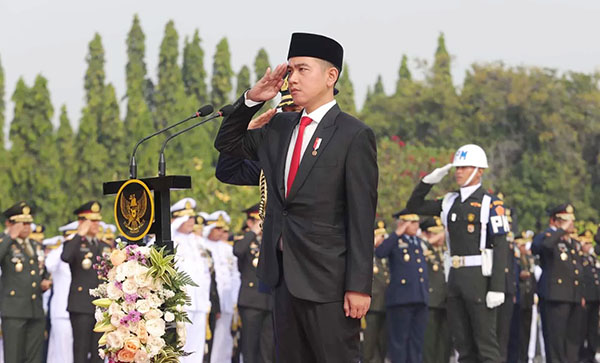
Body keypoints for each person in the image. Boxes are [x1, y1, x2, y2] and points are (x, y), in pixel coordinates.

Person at [214, 32, 378, 362]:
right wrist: (251, 99)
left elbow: (362, 216)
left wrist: (359, 285)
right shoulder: (279, 127)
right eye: (290, 71)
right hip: (283, 276)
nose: (293, 79)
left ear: (331, 76)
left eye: (303, 70)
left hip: (328, 281)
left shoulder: (353, 134)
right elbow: (228, 146)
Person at [406, 144, 509, 362]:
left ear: (479, 170)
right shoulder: (450, 201)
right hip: (454, 276)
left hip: (479, 277)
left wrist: (498, 287)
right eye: (457, 167)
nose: (459, 172)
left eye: (464, 167)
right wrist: (428, 181)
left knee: (486, 345)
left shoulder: (490, 203)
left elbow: (501, 246)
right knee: (463, 346)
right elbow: (413, 206)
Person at [530, 203, 584, 362]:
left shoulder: (570, 242)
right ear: (554, 221)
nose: (571, 224)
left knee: (571, 342)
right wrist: (560, 231)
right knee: (555, 342)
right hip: (555, 298)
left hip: (572, 297)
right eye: (566, 221)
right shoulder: (547, 236)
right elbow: (541, 247)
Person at [61, 201, 112, 363]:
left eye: (98, 220)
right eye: (92, 221)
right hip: (81, 305)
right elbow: (66, 257)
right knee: (81, 351)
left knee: (99, 353)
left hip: (101, 307)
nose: (97, 224)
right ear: (82, 222)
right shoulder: (74, 243)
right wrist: (79, 234)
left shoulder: (103, 245)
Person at [0, 201, 51, 363]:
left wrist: (44, 282)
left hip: (35, 309)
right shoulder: (5, 242)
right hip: (14, 311)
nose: (26, 227)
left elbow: (39, 271)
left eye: (29, 223)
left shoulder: (33, 245)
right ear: (10, 223)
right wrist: (10, 236)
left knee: (34, 358)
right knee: (14, 357)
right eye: (22, 223)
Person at [375, 210, 428, 363]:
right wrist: (397, 233)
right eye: (412, 222)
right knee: (399, 342)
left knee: (416, 342)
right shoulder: (395, 241)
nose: (416, 225)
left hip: (419, 298)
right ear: (402, 223)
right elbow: (380, 252)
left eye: (416, 222)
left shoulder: (418, 242)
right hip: (401, 299)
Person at [171, 198, 219, 363]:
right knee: (180, 345)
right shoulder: (172, 239)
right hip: (182, 302)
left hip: (200, 301)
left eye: (192, 218)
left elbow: (206, 272)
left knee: (197, 345)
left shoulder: (197, 242)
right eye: (187, 218)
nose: (192, 221)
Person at [234, 204, 274, 363]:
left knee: (267, 350)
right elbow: (238, 250)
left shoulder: (271, 239)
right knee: (249, 349)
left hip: (270, 302)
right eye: (255, 221)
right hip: (251, 301)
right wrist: (253, 232)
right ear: (249, 222)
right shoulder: (245, 240)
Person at [204, 211, 241, 363]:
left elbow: (235, 274)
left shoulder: (227, 248)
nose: (220, 232)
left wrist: (235, 298)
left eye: (222, 229)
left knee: (225, 338)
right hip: (210, 300)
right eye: (217, 228)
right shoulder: (202, 245)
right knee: (209, 338)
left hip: (227, 299)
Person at [45, 221, 78, 363]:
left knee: (72, 353)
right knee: (62, 355)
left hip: (77, 311)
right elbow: (49, 265)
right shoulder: (58, 253)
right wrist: (64, 244)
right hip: (62, 312)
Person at [420, 216, 451, 363]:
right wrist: (430, 240)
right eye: (435, 233)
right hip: (431, 301)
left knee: (444, 342)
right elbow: (417, 248)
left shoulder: (445, 251)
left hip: (445, 301)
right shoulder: (424, 248)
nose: (439, 237)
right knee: (429, 342)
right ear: (426, 234)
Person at [362, 221, 389, 363]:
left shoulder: (383, 256)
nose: (381, 240)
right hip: (371, 308)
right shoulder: (365, 255)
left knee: (382, 345)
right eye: (378, 236)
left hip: (384, 305)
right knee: (369, 346)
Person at [578, 229, 599, 363]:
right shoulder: (579, 259)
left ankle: (591, 353)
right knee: (582, 328)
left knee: (592, 328)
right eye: (585, 243)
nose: (588, 246)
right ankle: (582, 355)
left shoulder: (592, 259)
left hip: (595, 297)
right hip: (585, 297)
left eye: (589, 243)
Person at [515, 231, 536, 363]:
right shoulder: (515, 260)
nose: (523, 248)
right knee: (518, 331)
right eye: (520, 245)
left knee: (527, 330)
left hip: (528, 299)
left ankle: (525, 357)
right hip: (519, 298)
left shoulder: (528, 259)